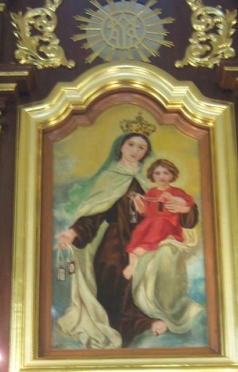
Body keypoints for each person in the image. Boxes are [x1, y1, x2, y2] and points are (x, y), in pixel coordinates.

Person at [54, 124, 201, 349]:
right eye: (131, 145)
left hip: (148, 237)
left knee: (160, 264)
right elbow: (95, 213)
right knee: (111, 268)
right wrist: (73, 232)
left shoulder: (148, 181)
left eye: (141, 148)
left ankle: (149, 318)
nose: (135, 151)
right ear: (121, 147)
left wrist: (185, 209)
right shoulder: (110, 178)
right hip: (115, 237)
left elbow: (174, 213)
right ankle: (128, 324)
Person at [123, 158, 195, 280]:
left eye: (166, 173)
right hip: (150, 223)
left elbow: (188, 202)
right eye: (157, 173)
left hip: (169, 224)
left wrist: (172, 198)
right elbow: (143, 211)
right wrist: (137, 200)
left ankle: (144, 248)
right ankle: (132, 263)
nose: (161, 176)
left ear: (172, 175)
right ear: (152, 175)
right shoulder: (152, 192)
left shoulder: (175, 191)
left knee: (159, 223)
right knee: (138, 230)